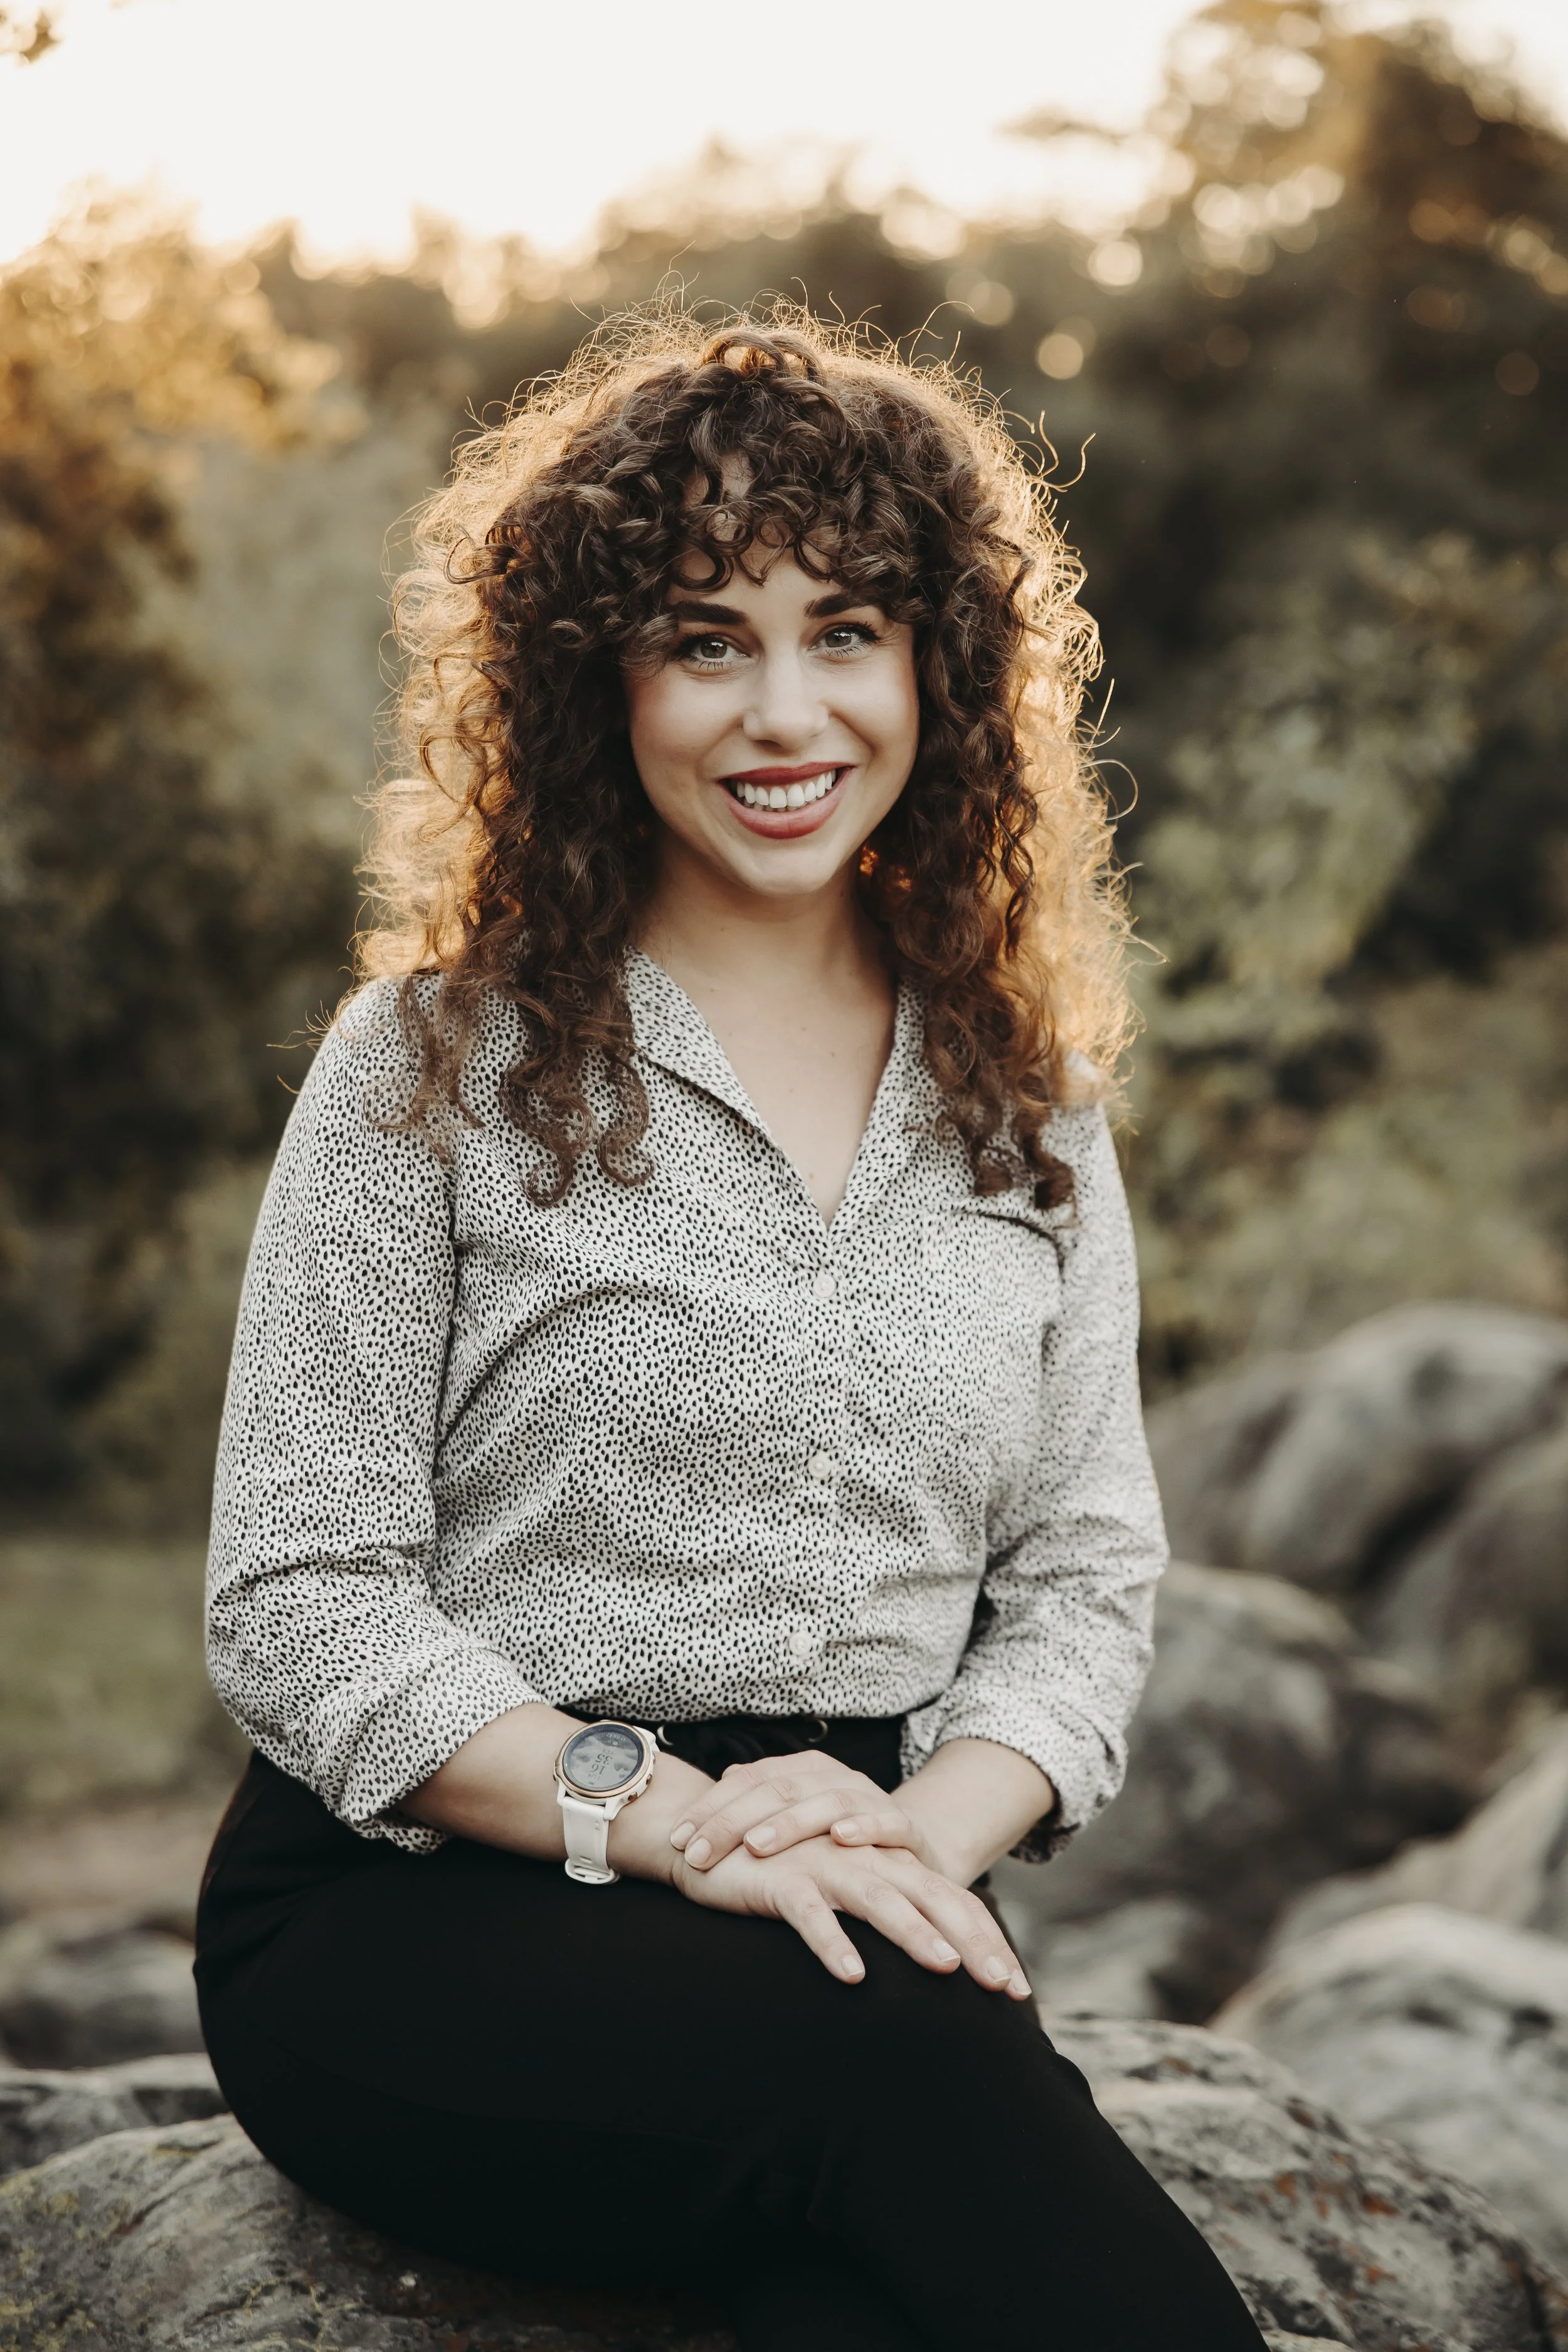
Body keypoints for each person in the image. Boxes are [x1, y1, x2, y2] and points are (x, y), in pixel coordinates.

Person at [194, 312, 1268, 2352]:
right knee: (907, 2079)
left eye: (845, 628)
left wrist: (904, 1834)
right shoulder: (430, 1062)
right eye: (704, 638)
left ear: (937, 667)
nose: (787, 712)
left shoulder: (1021, 1090)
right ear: (596, 679)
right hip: (429, 1907)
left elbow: (1080, 1570)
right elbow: (299, 1594)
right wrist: (677, 1820)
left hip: (855, 1897)